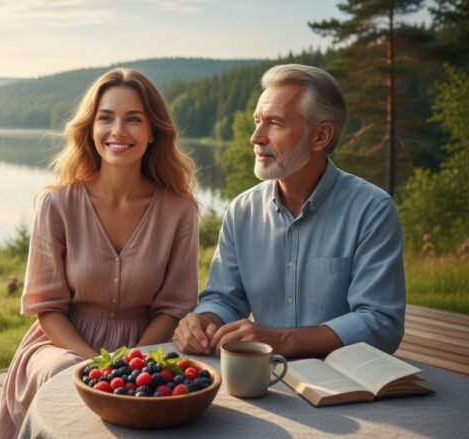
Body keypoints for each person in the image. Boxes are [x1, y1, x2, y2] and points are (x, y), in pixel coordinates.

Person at [0, 68, 200, 438]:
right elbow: (47, 308)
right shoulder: (56, 204)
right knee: (65, 376)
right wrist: (94, 363)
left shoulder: (180, 210)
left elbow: (173, 307)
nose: (118, 131)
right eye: (106, 118)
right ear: (90, 129)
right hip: (62, 344)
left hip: (147, 344)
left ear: (153, 132)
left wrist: (130, 361)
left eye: (133, 119)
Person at [173, 64, 405, 359]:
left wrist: (284, 341)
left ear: (320, 136)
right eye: (257, 121)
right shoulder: (241, 211)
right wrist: (205, 320)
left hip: (345, 389)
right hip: (260, 382)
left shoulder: (372, 210)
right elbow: (224, 298)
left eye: (274, 123)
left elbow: (381, 324)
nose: (255, 137)